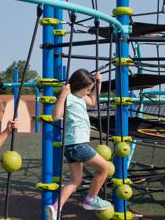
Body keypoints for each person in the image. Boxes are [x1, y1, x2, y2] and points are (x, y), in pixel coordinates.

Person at [46, 69, 111, 220]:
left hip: (70, 147)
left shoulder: (81, 97)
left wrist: (98, 82)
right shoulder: (68, 97)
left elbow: (93, 102)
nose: (89, 91)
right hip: (78, 144)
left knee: (75, 180)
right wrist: (62, 95)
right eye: (87, 89)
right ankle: (90, 199)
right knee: (105, 168)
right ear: (79, 85)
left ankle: (56, 208)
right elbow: (55, 116)